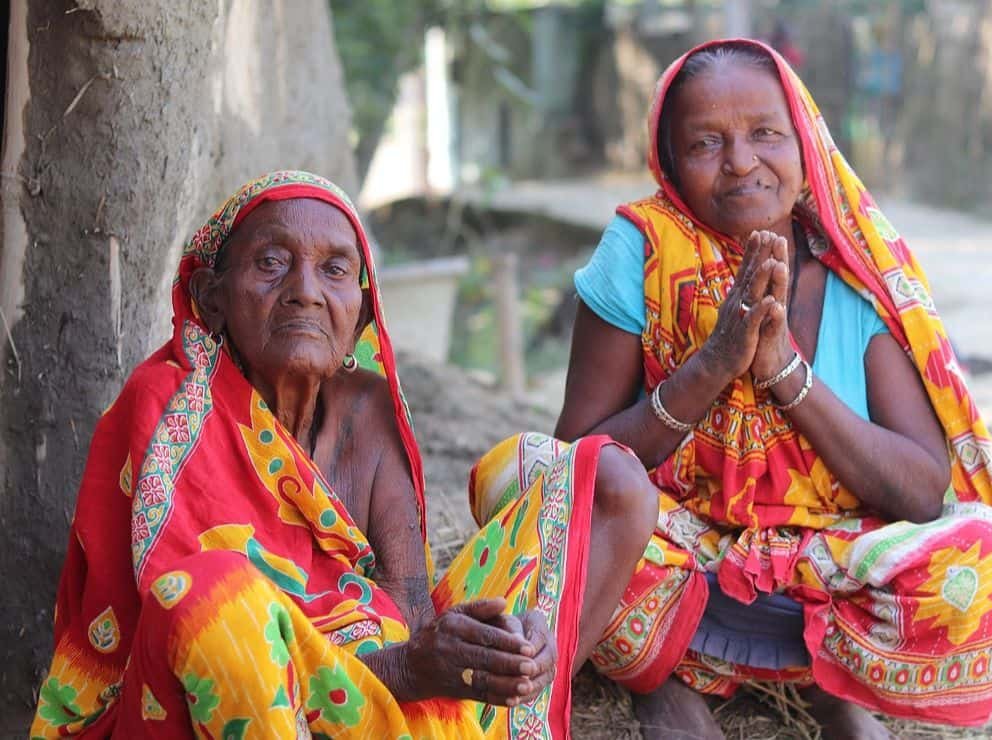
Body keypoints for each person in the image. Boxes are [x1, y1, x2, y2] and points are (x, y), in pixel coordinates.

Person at [30, 171, 656, 739]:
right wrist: (407, 668)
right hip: (237, 711)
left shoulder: (368, 411)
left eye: (335, 271)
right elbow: (192, 625)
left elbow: (411, 610)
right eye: (272, 263)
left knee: (607, 478)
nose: (305, 291)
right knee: (212, 592)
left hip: (381, 702)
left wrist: (511, 642)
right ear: (212, 298)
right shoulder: (172, 406)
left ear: (359, 317)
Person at [556, 40, 992, 738]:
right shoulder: (640, 250)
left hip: (826, 581)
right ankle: (658, 675)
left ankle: (827, 679)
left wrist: (784, 371)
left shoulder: (858, 275)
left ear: (806, 142)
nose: (741, 162)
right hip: (672, 565)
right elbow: (575, 456)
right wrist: (713, 366)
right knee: (524, 481)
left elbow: (918, 491)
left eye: (766, 134)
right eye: (705, 143)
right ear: (668, 164)